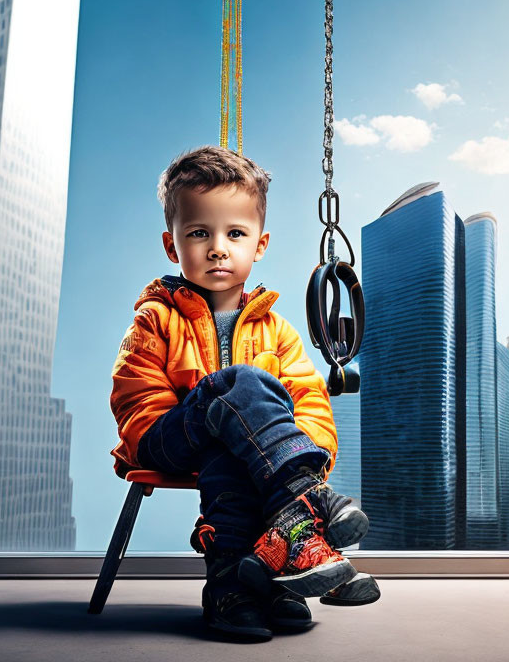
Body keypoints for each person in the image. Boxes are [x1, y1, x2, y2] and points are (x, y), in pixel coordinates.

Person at [109, 145, 377, 641]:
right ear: (172, 246)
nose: (217, 247)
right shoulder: (155, 319)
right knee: (239, 386)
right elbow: (136, 398)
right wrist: (214, 406)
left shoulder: (279, 329)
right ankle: (308, 503)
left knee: (231, 451)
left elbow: (310, 403)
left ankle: (243, 584)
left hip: (240, 456)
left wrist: (303, 449)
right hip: (164, 437)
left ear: (260, 244)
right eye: (198, 233)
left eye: (235, 233)